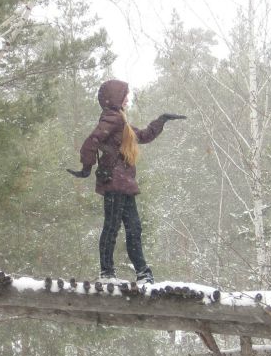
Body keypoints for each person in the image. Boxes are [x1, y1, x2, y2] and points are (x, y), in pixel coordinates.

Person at [67, 79, 185, 283]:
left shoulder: (120, 121)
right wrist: (87, 167)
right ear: (115, 98)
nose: (128, 98)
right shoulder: (112, 118)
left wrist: (161, 120)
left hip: (124, 184)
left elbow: (143, 135)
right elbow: (91, 141)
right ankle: (107, 273)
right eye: (125, 95)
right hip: (114, 182)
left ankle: (142, 273)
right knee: (113, 227)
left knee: (133, 228)